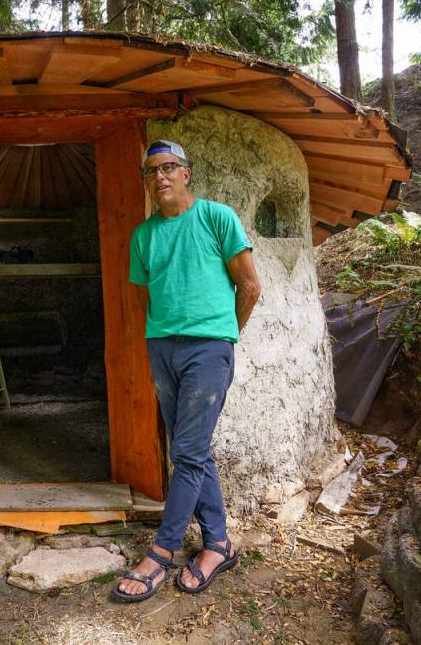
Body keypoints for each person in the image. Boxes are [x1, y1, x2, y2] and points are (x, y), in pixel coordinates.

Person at [113, 140, 261, 602]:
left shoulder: (217, 217)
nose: (160, 177)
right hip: (163, 348)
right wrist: (165, 334)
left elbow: (250, 286)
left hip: (208, 350)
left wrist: (222, 337)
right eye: (152, 171)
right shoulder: (144, 236)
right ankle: (217, 545)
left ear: (186, 173)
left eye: (169, 167)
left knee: (188, 452)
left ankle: (161, 552)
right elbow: (145, 298)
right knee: (193, 451)